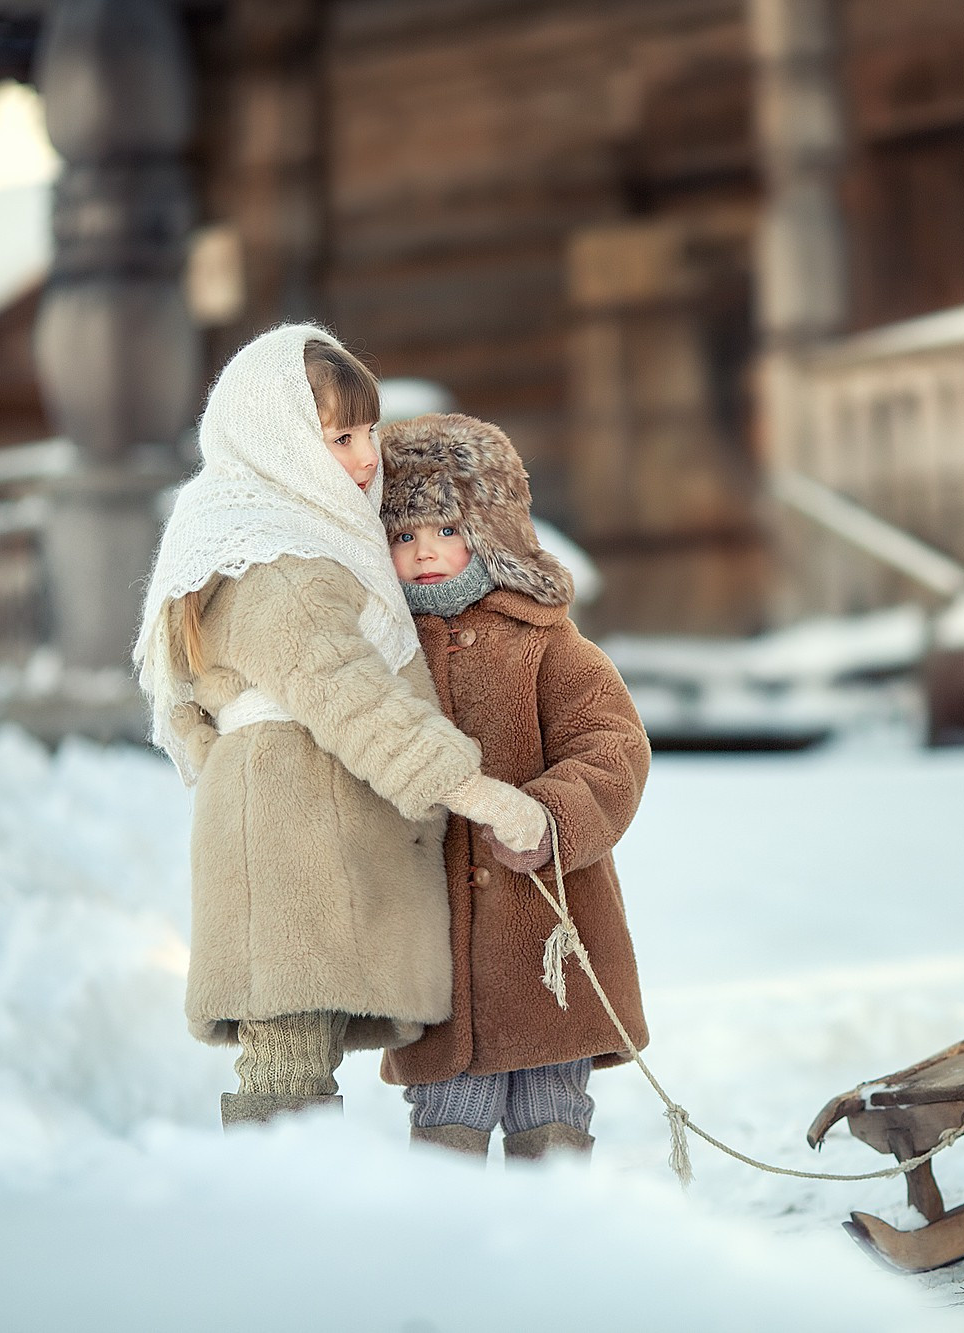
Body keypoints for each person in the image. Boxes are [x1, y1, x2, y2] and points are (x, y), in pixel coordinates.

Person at [131, 323, 551, 1129]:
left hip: (295, 835)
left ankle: (294, 1224)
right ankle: (278, 1229)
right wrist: (479, 793)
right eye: (341, 436)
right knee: (287, 1071)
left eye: (368, 431)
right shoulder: (275, 561)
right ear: (278, 440)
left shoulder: (265, 535)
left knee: (295, 1059)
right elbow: (354, 699)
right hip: (294, 853)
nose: (369, 458)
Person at [374, 410, 651, 1165]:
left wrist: (555, 813)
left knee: (550, 1107)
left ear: (489, 529)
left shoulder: (545, 641)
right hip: (438, 949)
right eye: (402, 535)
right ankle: (454, 1261)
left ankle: (556, 1253)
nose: (424, 550)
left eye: (446, 528)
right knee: (446, 1113)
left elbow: (613, 745)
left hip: (547, 944)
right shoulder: (386, 658)